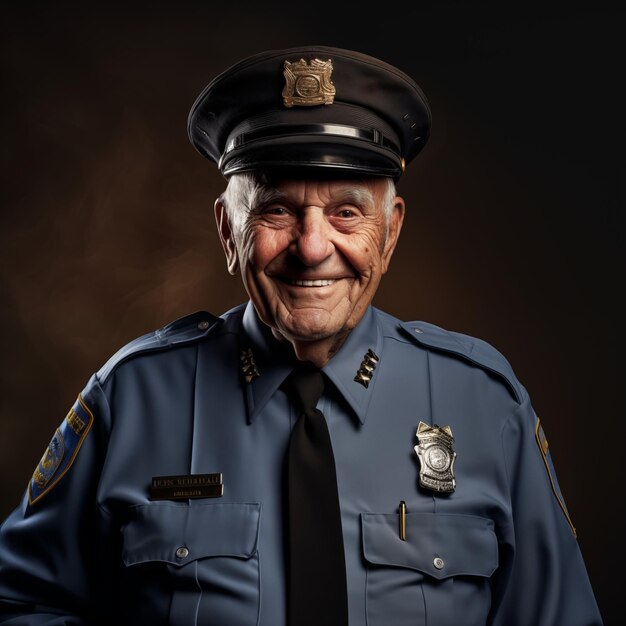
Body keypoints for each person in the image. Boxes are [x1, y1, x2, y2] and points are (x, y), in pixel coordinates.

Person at [0, 45, 602, 626]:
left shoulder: (485, 404)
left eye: (346, 211)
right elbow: (20, 604)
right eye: (277, 210)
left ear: (390, 234)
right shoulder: (130, 400)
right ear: (228, 230)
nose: (312, 250)